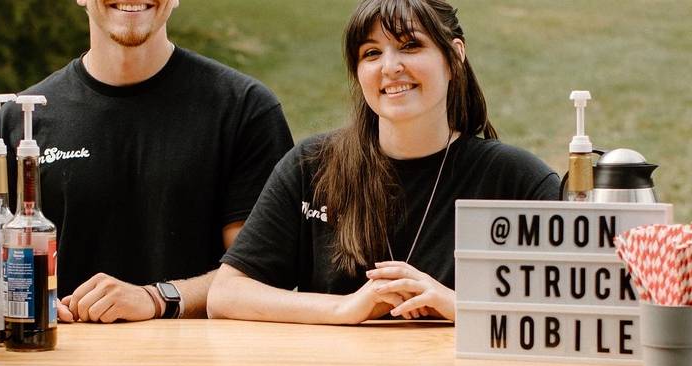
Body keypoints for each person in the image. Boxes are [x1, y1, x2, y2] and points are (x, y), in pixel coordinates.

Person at [208, 0, 559, 325]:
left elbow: (585, 300)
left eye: (410, 45)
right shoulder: (312, 166)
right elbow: (226, 295)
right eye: (371, 53)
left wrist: (460, 305)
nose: (390, 67)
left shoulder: (515, 178)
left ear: (454, 57)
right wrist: (345, 308)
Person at [0, 0, 294, 322]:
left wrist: (157, 299)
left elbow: (259, 275)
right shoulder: (21, 120)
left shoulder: (244, 110)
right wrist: (26, 302)